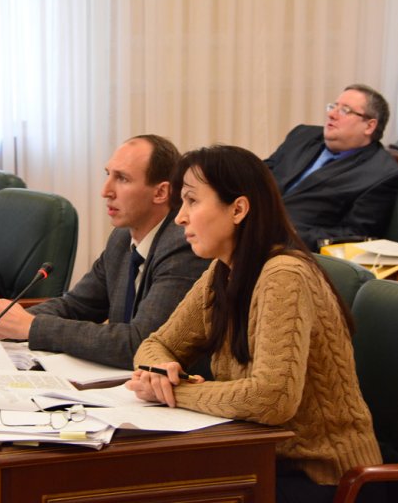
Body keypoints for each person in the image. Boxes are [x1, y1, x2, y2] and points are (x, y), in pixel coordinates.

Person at [126, 145, 382, 503]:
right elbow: (157, 344)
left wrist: (175, 392)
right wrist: (156, 372)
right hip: (257, 457)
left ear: (238, 209)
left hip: (323, 477)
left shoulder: (284, 275)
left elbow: (272, 399)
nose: (180, 218)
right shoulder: (222, 271)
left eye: (192, 201)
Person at [0, 135, 211, 369]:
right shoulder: (121, 238)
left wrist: (30, 326)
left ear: (160, 193)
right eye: (108, 175)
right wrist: (4, 317)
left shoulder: (183, 245)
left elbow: (141, 342)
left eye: (122, 179)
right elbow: (77, 306)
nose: (106, 191)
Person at [265, 84, 398, 250]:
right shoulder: (302, 136)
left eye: (345, 110)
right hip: (249, 224)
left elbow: (354, 235)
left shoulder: (381, 174)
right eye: (333, 107)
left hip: (293, 249)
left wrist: (287, 235)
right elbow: (261, 173)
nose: (331, 114)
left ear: (369, 126)